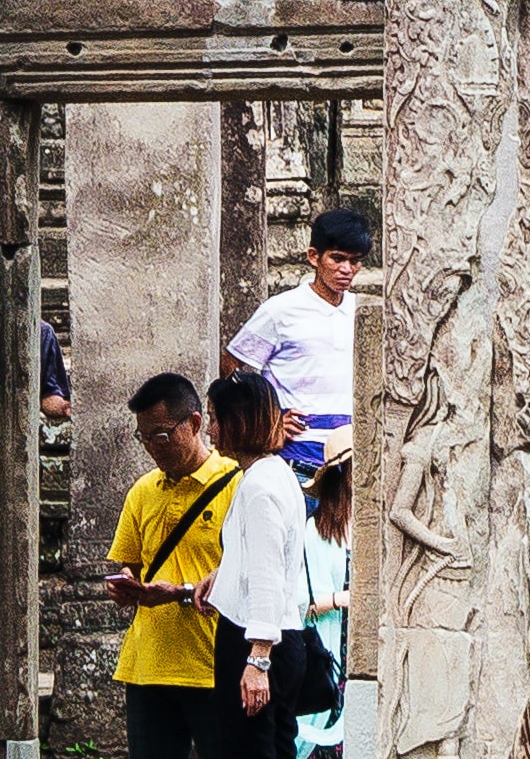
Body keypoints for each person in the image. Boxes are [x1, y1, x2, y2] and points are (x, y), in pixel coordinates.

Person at [106, 374, 243, 759]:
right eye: (144, 437)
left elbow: (247, 575)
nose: (152, 448)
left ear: (196, 424)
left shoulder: (236, 483)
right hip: (148, 667)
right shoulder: (143, 491)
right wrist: (125, 587)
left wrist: (180, 593)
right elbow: (130, 566)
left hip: (213, 664)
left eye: (162, 436)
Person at [200, 371, 318, 759]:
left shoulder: (258, 487)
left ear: (238, 422)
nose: (211, 431)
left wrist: (257, 659)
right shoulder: (275, 474)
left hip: (257, 639)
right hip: (282, 638)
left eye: (216, 420)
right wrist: (223, 576)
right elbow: (268, 553)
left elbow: (268, 575)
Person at [228, 208, 373, 477]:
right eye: (337, 258)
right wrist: (267, 422)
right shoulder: (280, 310)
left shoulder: (363, 311)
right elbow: (229, 368)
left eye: (354, 262)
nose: (346, 269)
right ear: (313, 257)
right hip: (297, 458)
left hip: (353, 459)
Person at [298, 460, 354, 757]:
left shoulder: (372, 530)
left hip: (361, 651)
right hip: (327, 653)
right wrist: (338, 599)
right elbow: (298, 607)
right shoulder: (313, 531)